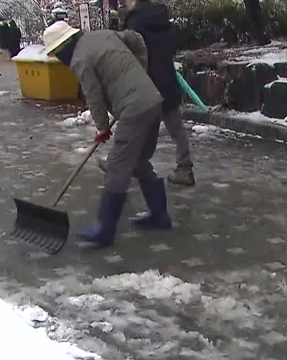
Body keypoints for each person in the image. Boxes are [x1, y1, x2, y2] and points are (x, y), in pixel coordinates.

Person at [43, 21, 172, 247]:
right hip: (152, 101)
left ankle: (104, 229)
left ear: (63, 47)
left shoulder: (79, 59)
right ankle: (159, 216)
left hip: (134, 109)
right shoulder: (103, 35)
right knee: (139, 162)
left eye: (56, 53)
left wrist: (101, 127)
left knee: (117, 167)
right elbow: (136, 37)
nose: (57, 58)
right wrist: (141, 67)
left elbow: (94, 96)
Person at [123, 0, 195, 186]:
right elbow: (172, 47)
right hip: (167, 79)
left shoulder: (135, 23)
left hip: (147, 81)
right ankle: (184, 168)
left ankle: (132, 163)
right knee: (173, 127)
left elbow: (130, 55)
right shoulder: (163, 20)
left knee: (139, 126)